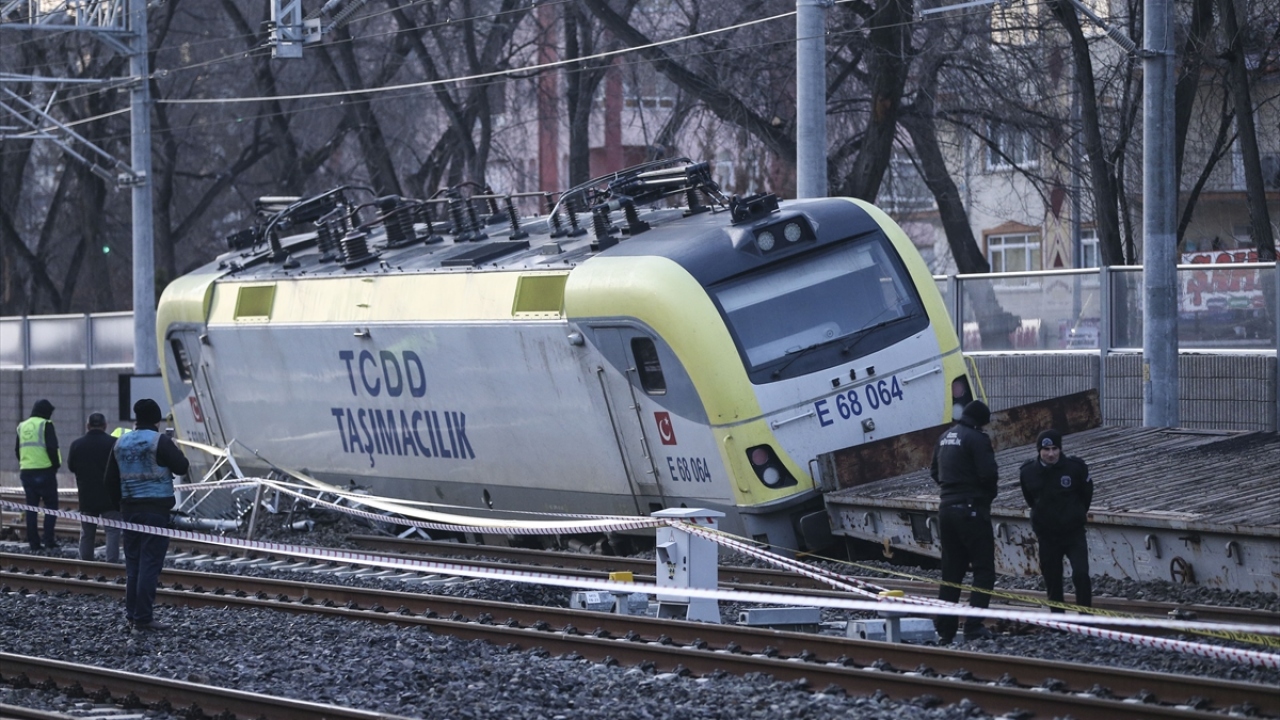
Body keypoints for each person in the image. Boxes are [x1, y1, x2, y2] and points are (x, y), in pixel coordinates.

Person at [105, 399, 189, 631]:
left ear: (136, 419)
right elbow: (182, 466)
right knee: (150, 564)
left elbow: (109, 479)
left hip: (129, 510)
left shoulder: (120, 442)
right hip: (155, 512)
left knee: (133, 565)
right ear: (156, 419)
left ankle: (132, 614)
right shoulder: (158, 441)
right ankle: (143, 617)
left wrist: (121, 505)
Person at [930, 399, 999, 644]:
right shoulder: (977, 439)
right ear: (980, 420)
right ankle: (973, 626)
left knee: (951, 572)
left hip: (946, 510)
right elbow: (988, 474)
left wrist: (951, 490)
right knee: (984, 571)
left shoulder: (944, 437)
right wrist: (985, 496)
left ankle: (945, 629)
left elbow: (934, 472)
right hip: (971, 510)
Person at [1019, 429, 1093, 612]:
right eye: (1046, 450)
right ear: (1039, 451)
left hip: (1073, 532)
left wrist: (1075, 514)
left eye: (1054, 449)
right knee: (1052, 578)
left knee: (1081, 574)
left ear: (1060, 449)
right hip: (1047, 535)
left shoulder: (1075, 467)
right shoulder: (1028, 472)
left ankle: (1086, 616)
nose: (1051, 454)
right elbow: (1030, 499)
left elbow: (1087, 495)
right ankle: (1058, 619)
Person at [67, 412, 122, 563]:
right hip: (111, 497)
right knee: (112, 531)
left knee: (87, 532)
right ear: (105, 426)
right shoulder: (114, 443)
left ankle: (86, 564)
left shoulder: (77, 445)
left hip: (87, 496)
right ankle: (111, 565)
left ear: (87, 426)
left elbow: (71, 467)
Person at [15, 399, 61, 551]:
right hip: (45, 470)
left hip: (26, 472)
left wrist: (27, 463)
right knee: (51, 506)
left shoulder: (22, 426)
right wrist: (55, 466)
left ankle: (33, 543)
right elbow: (52, 448)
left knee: (31, 508)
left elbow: (17, 450)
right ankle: (49, 540)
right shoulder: (45, 424)